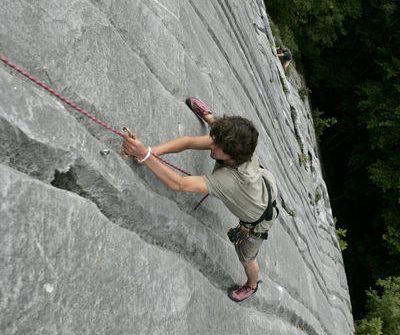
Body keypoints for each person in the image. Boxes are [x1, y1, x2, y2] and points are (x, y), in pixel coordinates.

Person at [122, 97, 278, 302]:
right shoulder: (242, 146)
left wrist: (144, 156)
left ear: (230, 154)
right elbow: (188, 142)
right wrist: (151, 152)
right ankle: (209, 117)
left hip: (260, 219)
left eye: (217, 146)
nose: (211, 147)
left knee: (247, 257)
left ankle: (251, 285)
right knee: (220, 134)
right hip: (264, 184)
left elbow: (179, 184)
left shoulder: (228, 181)